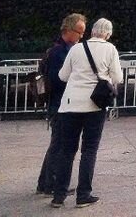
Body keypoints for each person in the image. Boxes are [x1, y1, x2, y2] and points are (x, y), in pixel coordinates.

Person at [51, 18, 123, 209]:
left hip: (70, 104)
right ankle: (83, 194)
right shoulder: (110, 49)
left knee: (66, 151)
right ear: (108, 33)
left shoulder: (76, 49)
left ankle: (58, 195)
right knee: (89, 150)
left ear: (92, 31)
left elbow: (62, 76)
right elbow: (118, 77)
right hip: (94, 105)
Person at [37, 13, 86, 197]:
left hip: (58, 102)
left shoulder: (60, 49)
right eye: (79, 32)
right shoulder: (60, 52)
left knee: (56, 144)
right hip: (59, 103)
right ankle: (51, 183)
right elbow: (57, 80)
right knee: (59, 145)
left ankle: (44, 182)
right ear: (68, 30)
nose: (81, 36)